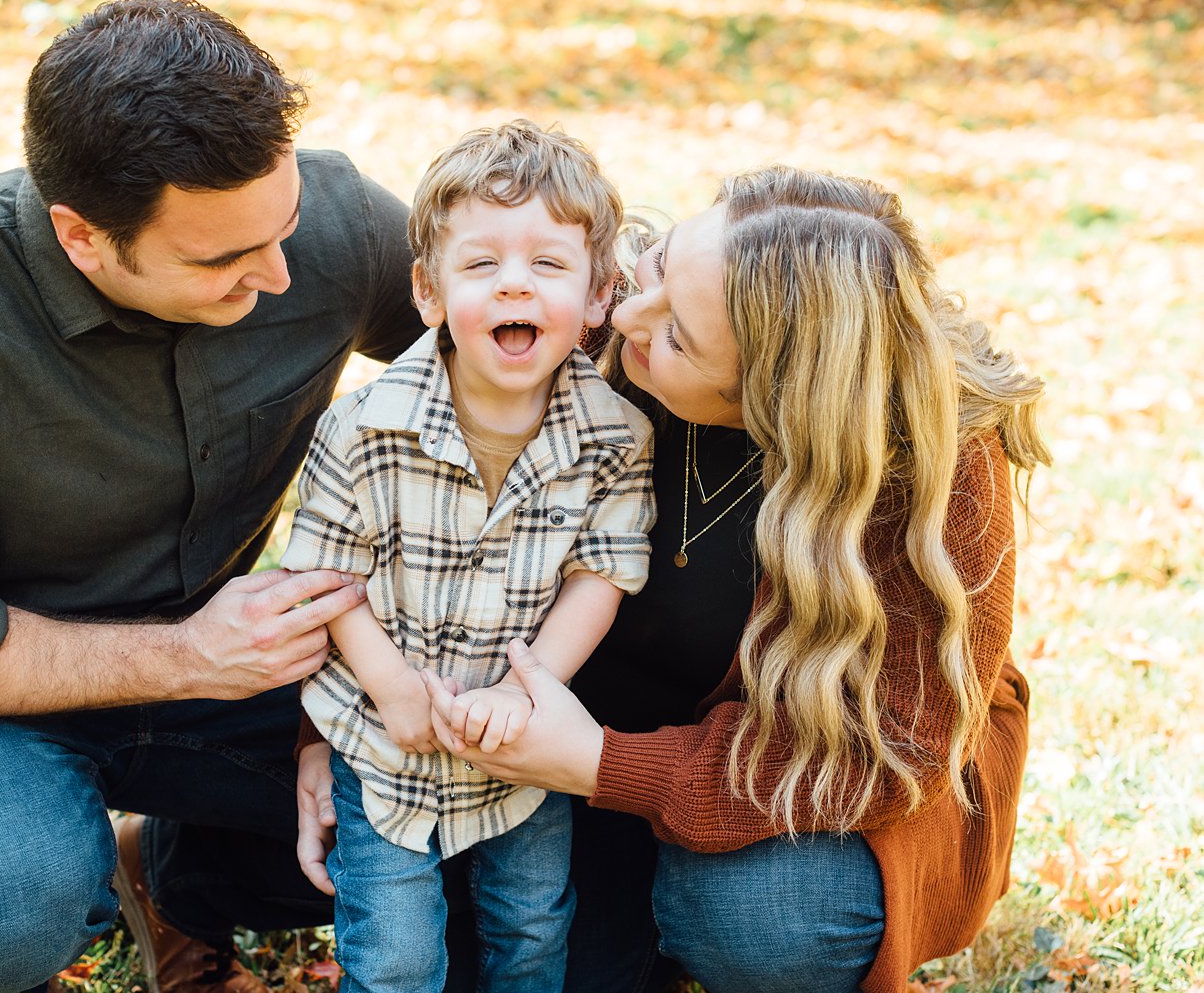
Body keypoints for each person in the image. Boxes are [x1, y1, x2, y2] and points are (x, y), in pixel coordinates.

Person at [0, 0, 427, 992]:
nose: (278, 274)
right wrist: (185, 655)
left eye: (285, 226)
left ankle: (182, 881)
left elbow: (512, 340)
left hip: (219, 651)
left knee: (464, 797)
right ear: (82, 237)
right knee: (15, 896)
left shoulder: (324, 226)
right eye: (221, 260)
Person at [299, 164, 1048, 992]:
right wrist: (332, 728)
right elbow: (396, 509)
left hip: (788, 768)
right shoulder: (583, 315)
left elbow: (889, 751)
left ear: (773, 399)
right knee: (436, 922)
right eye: (656, 268)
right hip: (545, 726)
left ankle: (682, 907)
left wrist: (599, 765)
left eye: (679, 338)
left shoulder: (932, 469)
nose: (625, 316)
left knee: (762, 915)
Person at [280, 120, 655, 993]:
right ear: (429, 290)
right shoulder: (365, 424)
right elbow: (327, 577)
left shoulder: (614, 435)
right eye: (482, 264)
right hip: (386, 736)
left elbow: (602, 574)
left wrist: (531, 691)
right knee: (397, 949)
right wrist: (392, 686)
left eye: (549, 267)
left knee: (530, 926)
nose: (514, 284)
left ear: (599, 296)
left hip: (524, 738)